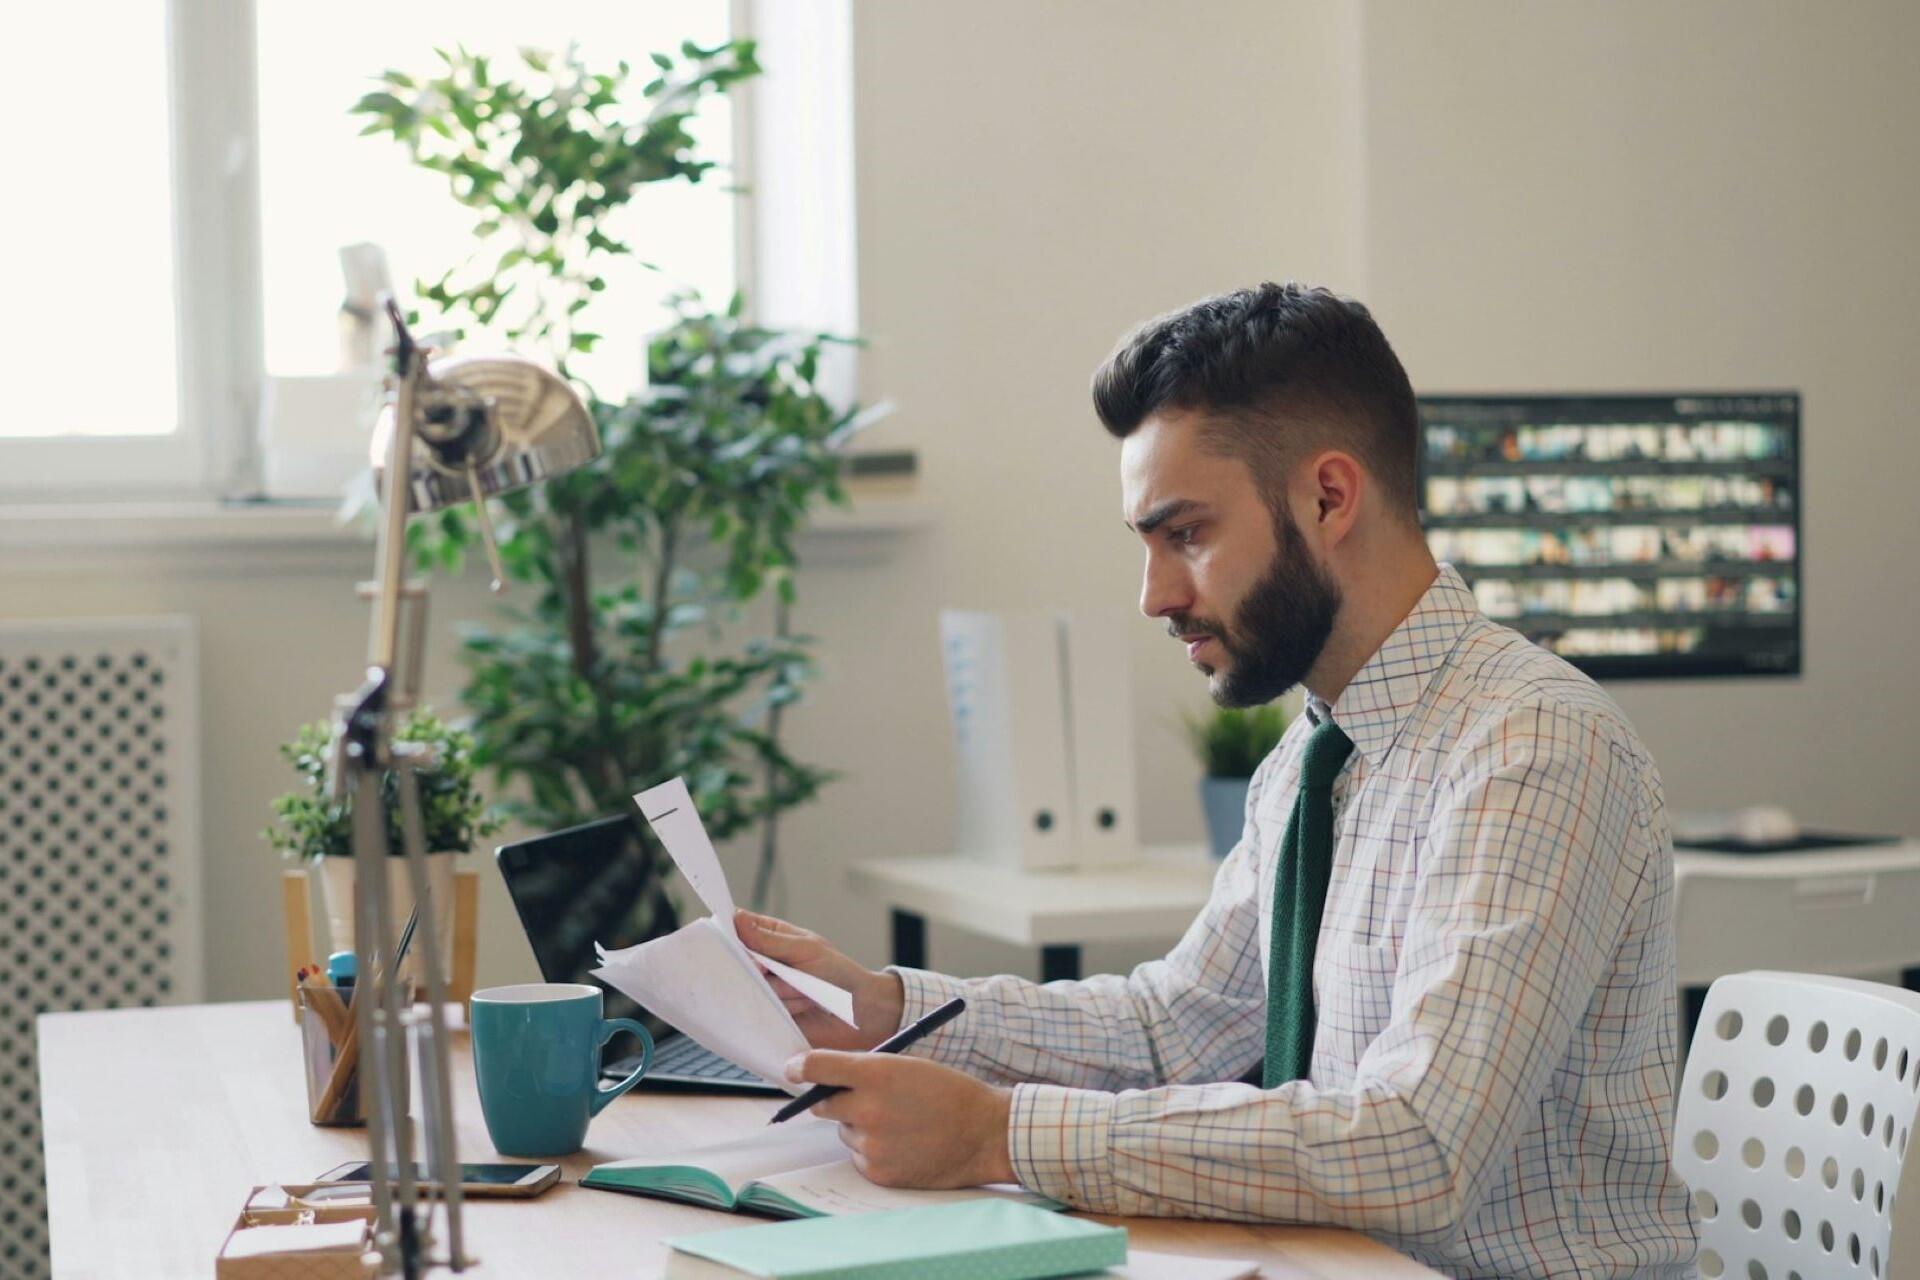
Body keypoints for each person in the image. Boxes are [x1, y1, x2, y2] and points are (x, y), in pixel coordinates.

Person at [739, 283, 1699, 1278]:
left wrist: (1000, 1134)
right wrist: (894, 1009)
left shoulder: (1531, 747)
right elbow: (1174, 1026)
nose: (1156, 594)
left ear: (1329, 497)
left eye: (1185, 534)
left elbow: (1417, 1146)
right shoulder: (1314, 753)